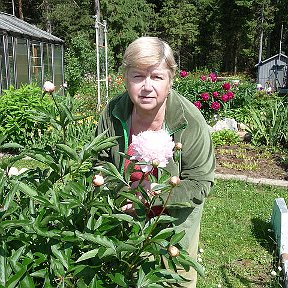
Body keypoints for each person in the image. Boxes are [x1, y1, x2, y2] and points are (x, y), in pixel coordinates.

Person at [95, 36, 215, 287]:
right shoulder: (113, 112)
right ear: (126, 78)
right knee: (125, 273)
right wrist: (122, 194)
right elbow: (101, 161)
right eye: (138, 76)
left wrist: (153, 195)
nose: (147, 86)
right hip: (124, 215)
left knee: (177, 278)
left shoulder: (189, 121)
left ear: (170, 80)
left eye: (157, 77)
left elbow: (200, 183)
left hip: (175, 218)